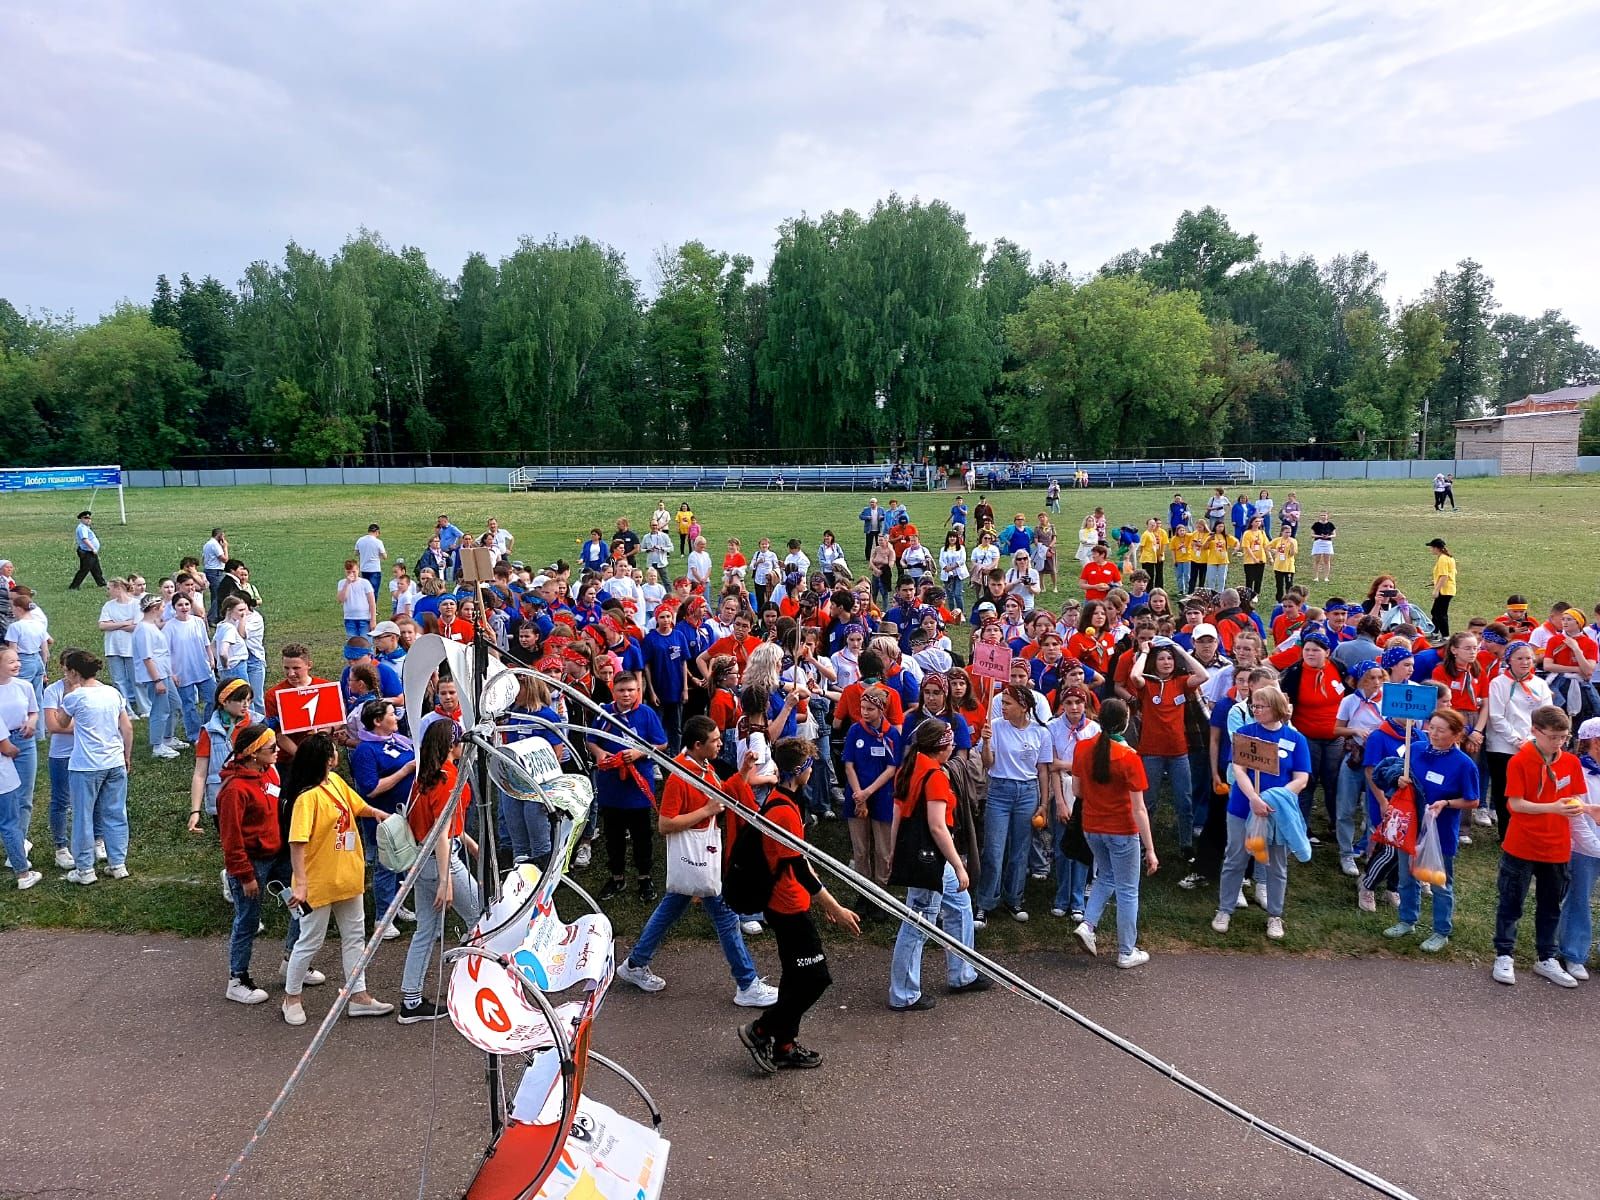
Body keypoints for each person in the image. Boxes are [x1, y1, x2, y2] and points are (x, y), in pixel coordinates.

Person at [616, 715, 779, 1008]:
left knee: (670, 909)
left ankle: (635, 964)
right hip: (700, 858)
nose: (720, 744)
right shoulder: (680, 776)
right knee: (727, 918)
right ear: (697, 745)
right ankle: (747, 983)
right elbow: (665, 824)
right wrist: (705, 812)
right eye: (715, 741)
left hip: (699, 859)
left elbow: (723, 796)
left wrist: (743, 771)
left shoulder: (703, 766)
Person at [737, 737, 861, 1074]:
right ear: (800, 770)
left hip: (791, 901)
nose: (812, 770)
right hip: (786, 905)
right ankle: (760, 1030)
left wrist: (819, 903)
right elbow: (798, 871)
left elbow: (800, 862)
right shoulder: (784, 812)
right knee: (815, 977)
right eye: (809, 765)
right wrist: (834, 906)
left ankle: (785, 1046)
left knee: (796, 976)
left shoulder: (786, 801)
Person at [280, 733, 394, 1025]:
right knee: (310, 941)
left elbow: (357, 807)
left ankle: (358, 996)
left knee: (355, 938)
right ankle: (291, 997)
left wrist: (377, 814)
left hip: (347, 877)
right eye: (333, 750)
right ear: (327, 758)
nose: (337, 753)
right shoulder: (307, 798)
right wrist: (301, 884)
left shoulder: (336, 782)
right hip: (318, 883)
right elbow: (297, 843)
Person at [886, 719, 987, 1010]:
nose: (954, 746)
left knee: (960, 906)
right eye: (950, 742)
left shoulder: (909, 767)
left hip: (917, 854)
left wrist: (893, 851)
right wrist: (958, 865)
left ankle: (963, 974)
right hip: (932, 859)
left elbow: (897, 813)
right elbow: (938, 827)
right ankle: (903, 994)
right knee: (918, 924)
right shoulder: (935, 776)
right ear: (941, 747)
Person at [396, 719, 483, 1024]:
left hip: (421, 861)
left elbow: (442, 824)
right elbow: (443, 832)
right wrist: (446, 880)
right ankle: (476, 987)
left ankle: (411, 999)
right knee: (480, 919)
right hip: (441, 862)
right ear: (451, 746)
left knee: (425, 930)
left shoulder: (425, 776)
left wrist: (468, 843)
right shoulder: (449, 778)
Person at [1493, 705, 1586, 988]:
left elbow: (1575, 798)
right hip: (1521, 845)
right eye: (1553, 736)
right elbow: (1515, 804)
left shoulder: (1571, 762)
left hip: (1556, 847)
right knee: (1511, 903)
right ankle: (1504, 954)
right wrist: (1554, 808)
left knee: (1550, 906)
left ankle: (1547, 958)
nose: (1558, 742)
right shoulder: (1519, 761)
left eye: (1564, 737)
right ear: (1535, 731)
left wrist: (1586, 808)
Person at [1212, 684, 1310, 941]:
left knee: (1276, 864)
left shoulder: (1296, 739)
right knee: (1235, 859)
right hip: (1242, 809)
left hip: (1277, 812)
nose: (1255, 709)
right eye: (1253, 705)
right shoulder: (1245, 734)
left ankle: (1275, 915)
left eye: (1261, 705)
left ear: (1276, 707)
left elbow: (1302, 778)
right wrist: (1254, 798)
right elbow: (1240, 770)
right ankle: (1224, 909)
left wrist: (1275, 797)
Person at [1070, 698, 1158, 968]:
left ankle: (1088, 924)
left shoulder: (1083, 748)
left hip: (1091, 826)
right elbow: (1139, 809)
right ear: (1126, 721)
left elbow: (1077, 791)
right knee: (1128, 890)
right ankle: (1126, 950)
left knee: (1105, 875)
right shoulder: (1129, 757)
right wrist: (1151, 849)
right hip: (1121, 830)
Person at [216, 723, 300, 1005]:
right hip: (253, 863)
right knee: (248, 920)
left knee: (303, 906)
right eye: (271, 748)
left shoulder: (270, 773)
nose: (278, 751)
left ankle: (293, 960)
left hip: (277, 856)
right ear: (253, 754)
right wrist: (244, 875)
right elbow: (231, 838)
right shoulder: (234, 790)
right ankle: (237, 978)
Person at [1384, 708, 1478, 953]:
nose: (1434, 733)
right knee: (1407, 876)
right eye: (1431, 727)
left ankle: (1441, 931)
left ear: (1456, 735)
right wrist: (1399, 780)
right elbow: (1397, 772)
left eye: (1441, 730)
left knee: (1439, 882)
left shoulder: (1463, 764)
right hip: (1411, 825)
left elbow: (1472, 800)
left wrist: (1446, 803)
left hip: (1440, 831)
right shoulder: (1415, 749)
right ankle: (1407, 920)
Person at [974, 682, 1053, 927]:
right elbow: (988, 763)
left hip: (1028, 792)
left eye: (1007, 703)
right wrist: (986, 743)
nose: (1002, 707)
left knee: (1020, 850)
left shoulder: (1041, 733)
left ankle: (1014, 898)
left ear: (1024, 706)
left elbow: (1043, 770)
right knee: (994, 850)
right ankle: (984, 902)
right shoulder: (995, 727)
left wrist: (1044, 803)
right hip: (999, 789)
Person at [55, 650, 133, 884]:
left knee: (83, 816)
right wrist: (126, 755)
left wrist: (70, 694)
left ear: (75, 673)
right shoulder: (112, 692)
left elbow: (60, 722)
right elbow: (127, 728)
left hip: (85, 766)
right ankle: (118, 863)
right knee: (116, 812)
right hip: (114, 761)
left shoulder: (75, 697)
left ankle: (85, 869)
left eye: (68, 671)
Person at [589, 671, 669, 901]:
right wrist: (600, 753)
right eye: (622, 690)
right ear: (613, 691)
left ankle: (644, 877)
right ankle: (616, 877)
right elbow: (591, 740)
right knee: (613, 836)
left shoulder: (646, 714)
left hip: (638, 788)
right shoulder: (605, 714)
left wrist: (639, 752)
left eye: (631, 690)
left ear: (638, 691)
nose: (626, 695)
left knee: (641, 835)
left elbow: (661, 743)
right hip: (612, 787)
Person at [1128, 637, 1209, 858]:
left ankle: (1185, 845)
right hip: (1151, 752)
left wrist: (1180, 650)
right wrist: (1144, 652)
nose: (1166, 662)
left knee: (1184, 800)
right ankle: (1145, 846)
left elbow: (1204, 675)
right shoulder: (1148, 684)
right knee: (1149, 802)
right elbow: (1134, 676)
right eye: (1162, 658)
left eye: (1170, 659)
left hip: (1179, 752)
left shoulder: (1181, 681)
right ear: (1154, 662)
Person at [349, 699, 416, 939]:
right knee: (386, 865)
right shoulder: (365, 751)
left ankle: (397, 906)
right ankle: (382, 918)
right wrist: (405, 771)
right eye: (391, 714)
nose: (396, 718)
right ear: (378, 721)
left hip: (404, 813)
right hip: (383, 818)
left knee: (402, 862)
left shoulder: (396, 740)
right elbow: (371, 789)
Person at [1484, 641, 1553, 831]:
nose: (1525, 662)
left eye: (1529, 658)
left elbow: (1546, 714)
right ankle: (1506, 830)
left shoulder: (1540, 684)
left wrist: (1535, 740)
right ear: (1509, 660)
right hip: (1502, 746)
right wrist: (1516, 740)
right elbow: (1496, 717)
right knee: (1504, 789)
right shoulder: (1498, 683)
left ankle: (1526, 827)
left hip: (1533, 745)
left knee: (1529, 789)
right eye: (1520, 658)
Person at [840, 686, 901, 898]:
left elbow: (891, 768)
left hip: (882, 796)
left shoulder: (891, 734)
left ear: (881, 710)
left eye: (870, 709)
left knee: (883, 850)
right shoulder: (855, 730)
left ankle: (881, 892)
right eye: (862, 708)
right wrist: (859, 794)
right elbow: (848, 765)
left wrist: (868, 792)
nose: (865, 713)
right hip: (856, 796)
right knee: (860, 848)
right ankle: (864, 891)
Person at [1555, 717, 1600, 980]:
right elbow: (1576, 817)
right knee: (1579, 899)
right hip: (1585, 848)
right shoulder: (1578, 772)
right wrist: (1595, 846)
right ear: (1595, 742)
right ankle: (1573, 953)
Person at [337, 559, 376, 639]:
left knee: (366, 642)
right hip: (349, 618)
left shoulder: (365, 583)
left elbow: (372, 603)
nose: (351, 574)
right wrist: (347, 584)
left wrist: (373, 620)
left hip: (364, 618)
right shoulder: (342, 583)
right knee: (353, 643)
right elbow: (341, 599)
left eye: (354, 571)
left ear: (358, 570)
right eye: (349, 572)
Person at [1427, 538, 1457, 637]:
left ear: (1436, 548)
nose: (1430, 549)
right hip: (1448, 589)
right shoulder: (1449, 558)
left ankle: (1445, 636)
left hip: (1444, 590)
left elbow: (1444, 576)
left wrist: (1436, 590)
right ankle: (1435, 632)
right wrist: (1435, 582)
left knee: (1440, 614)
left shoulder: (1443, 559)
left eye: (1431, 547)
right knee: (1435, 611)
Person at [69, 510, 105, 590]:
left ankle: (101, 583)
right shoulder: (82, 528)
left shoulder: (86, 527)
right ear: (81, 519)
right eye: (86, 518)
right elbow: (85, 539)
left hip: (91, 552)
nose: (88, 520)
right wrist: (93, 548)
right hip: (87, 552)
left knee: (96, 568)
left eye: (89, 518)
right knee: (84, 570)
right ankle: (74, 586)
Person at [355, 523, 387, 596]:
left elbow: (356, 553)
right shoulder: (378, 542)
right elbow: (385, 556)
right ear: (376, 532)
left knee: (364, 591)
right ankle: (373, 606)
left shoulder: (360, 540)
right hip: (374, 569)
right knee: (373, 591)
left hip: (363, 569)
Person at [1309, 511, 1336, 583]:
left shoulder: (1330, 524)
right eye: (1321, 515)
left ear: (1327, 516)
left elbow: (1334, 534)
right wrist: (1320, 536)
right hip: (1318, 542)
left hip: (1327, 543)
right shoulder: (1316, 524)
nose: (1323, 516)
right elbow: (1312, 534)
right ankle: (1316, 577)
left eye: (1324, 515)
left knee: (1327, 561)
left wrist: (1328, 536)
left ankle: (1326, 577)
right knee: (1317, 560)